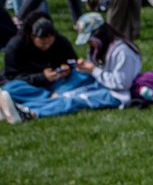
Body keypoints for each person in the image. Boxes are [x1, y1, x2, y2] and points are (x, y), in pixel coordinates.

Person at [0, 15, 138, 122]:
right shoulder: (15, 46)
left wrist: (90, 70)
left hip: (115, 93)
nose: (89, 44)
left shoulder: (122, 52)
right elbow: (12, 75)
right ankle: (20, 109)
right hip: (97, 84)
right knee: (65, 96)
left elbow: (122, 83)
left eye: (90, 40)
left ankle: (30, 112)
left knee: (71, 100)